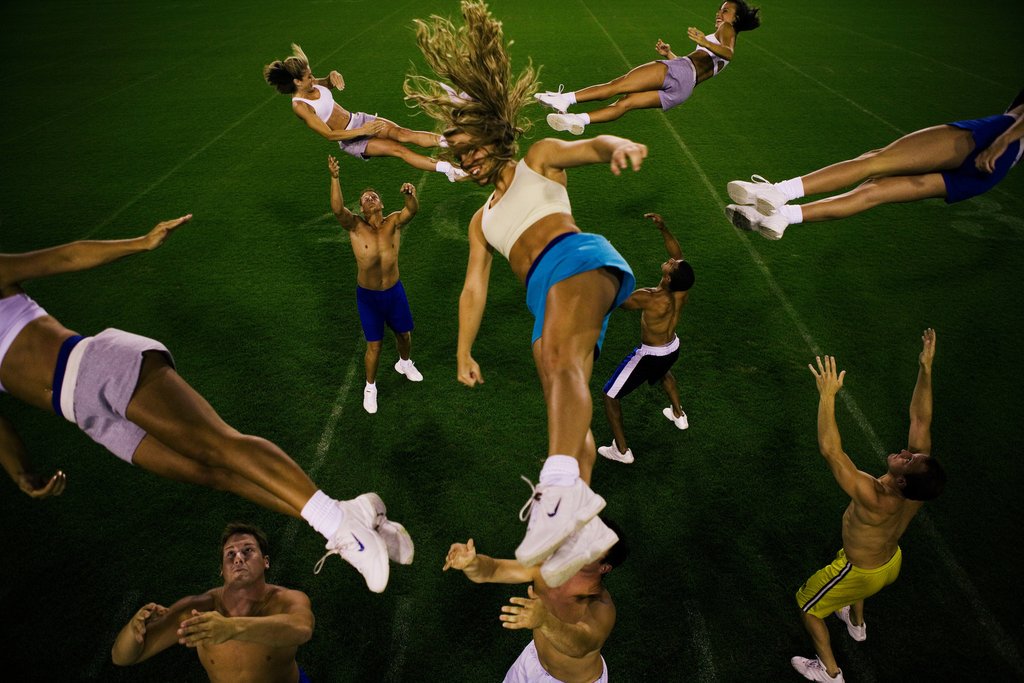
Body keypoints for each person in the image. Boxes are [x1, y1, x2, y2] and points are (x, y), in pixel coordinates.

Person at [0, 216, 413, 593]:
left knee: (217, 444)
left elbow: (66, 255)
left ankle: (341, 527)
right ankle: (348, 513)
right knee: (211, 472)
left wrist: (140, 243)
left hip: (97, 366)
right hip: (87, 416)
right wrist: (21, 474)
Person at [405, 0, 643, 580]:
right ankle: (579, 531)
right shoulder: (479, 221)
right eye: (459, 156)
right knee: (568, 416)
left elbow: (589, 148)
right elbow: (472, 289)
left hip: (577, 258)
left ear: (495, 132)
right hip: (547, 300)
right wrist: (462, 350)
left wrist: (619, 147)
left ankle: (558, 489)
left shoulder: (537, 161)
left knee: (560, 362)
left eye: (472, 147)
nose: (467, 160)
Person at [792, 329, 946, 682]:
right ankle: (856, 622)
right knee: (849, 562)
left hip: (862, 569)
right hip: (890, 560)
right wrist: (926, 369)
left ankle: (830, 672)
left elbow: (832, 451)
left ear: (903, 481)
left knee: (808, 606)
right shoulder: (916, 489)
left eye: (907, 460)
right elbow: (921, 420)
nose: (905, 452)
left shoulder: (876, 497)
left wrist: (827, 396)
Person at [725, 89, 1024, 240]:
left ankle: (778, 192)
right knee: (874, 193)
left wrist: (1002, 140)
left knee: (875, 162)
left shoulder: (1002, 136)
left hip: (997, 138)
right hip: (996, 171)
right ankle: (781, 217)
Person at [112, 524, 314, 681]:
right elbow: (121, 657)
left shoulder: (286, 600)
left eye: (247, 551)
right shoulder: (197, 609)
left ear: (266, 561)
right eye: (230, 554)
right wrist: (132, 630)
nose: (238, 559)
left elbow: (302, 628)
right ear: (221, 570)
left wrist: (231, 628)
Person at [534, 1, 761, 135]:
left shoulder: (728, 29)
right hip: (684, 88)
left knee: (618, 85)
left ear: (735, 17)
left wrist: (704, 41)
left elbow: (728, 53)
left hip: (681, 70)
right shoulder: (725, 36)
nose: (719, 14)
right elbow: (698, 68)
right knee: (626, 103)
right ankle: (579, 120)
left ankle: (566, 99)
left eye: (724, 10)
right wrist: (670, 54)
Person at [443, 518, 627, 683]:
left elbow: (580, 646)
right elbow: (493, 570)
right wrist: (472, 564)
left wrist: (545, 620)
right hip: (531, 663)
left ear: (604, 568)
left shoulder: (601, 606)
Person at [263, 44, 466, 182]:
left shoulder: (312, 83)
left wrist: (333, 75)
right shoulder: (300, 106)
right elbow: (329, 135)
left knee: (403, 133)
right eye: (308, 76)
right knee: (399, 150)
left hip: (358, 119)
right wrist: (363, 131)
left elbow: (327, 83)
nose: (313, 77)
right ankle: (450, 170)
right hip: (352, 140)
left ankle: (453, 141)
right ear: (297, 82)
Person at [329, 155, 424, 415]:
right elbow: (338, 210)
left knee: (404, 335)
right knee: (375, 345)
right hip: (369, 297)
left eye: (373, 196)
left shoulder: (393, 222)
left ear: (381, 203)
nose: (370, 199)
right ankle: (370, 387)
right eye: (365, 199)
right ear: (361, 209)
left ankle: (404, 363)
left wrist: (410, 194)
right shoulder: (356, 227)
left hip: (394, 292)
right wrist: (335, 178)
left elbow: (411, 210)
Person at [597, 213, 694, 464]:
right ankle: (678, 414)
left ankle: (621, 451)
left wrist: (605, 268)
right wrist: (663, 228)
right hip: (672, 347)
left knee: (610, 396)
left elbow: (619, 301)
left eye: (671, 265)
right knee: (664, 372)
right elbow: (680, 255)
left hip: (650, 354)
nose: (671, 260)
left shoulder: (650, 297)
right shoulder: (682, 290)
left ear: (669, 277)